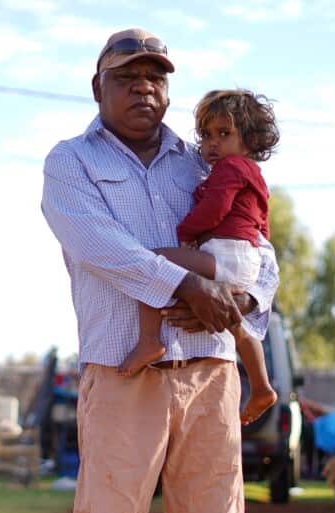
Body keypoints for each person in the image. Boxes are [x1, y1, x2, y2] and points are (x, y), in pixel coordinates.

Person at [41, 28, 279, 513]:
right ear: (98, 88)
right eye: (127, 78)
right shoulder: (71, 164)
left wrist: (243, 300)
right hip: (123, 372)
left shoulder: (201, 161)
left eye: (155, 78)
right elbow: (98, 248)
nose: (144, 89)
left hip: (210, 373)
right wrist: (188, 285)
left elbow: (256, 248)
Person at [116, 89, 280, 426]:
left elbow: (215, 208)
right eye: (206, 135)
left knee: (153, 262)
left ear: (249, 139)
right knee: (237, 327)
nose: (212, 144)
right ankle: (262, 385)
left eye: (224, 134)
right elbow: (262, 225)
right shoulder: (253, 174)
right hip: (243, 257)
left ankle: (149, 341)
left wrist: (187, 232)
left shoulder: (231, 168)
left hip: (225, 254)